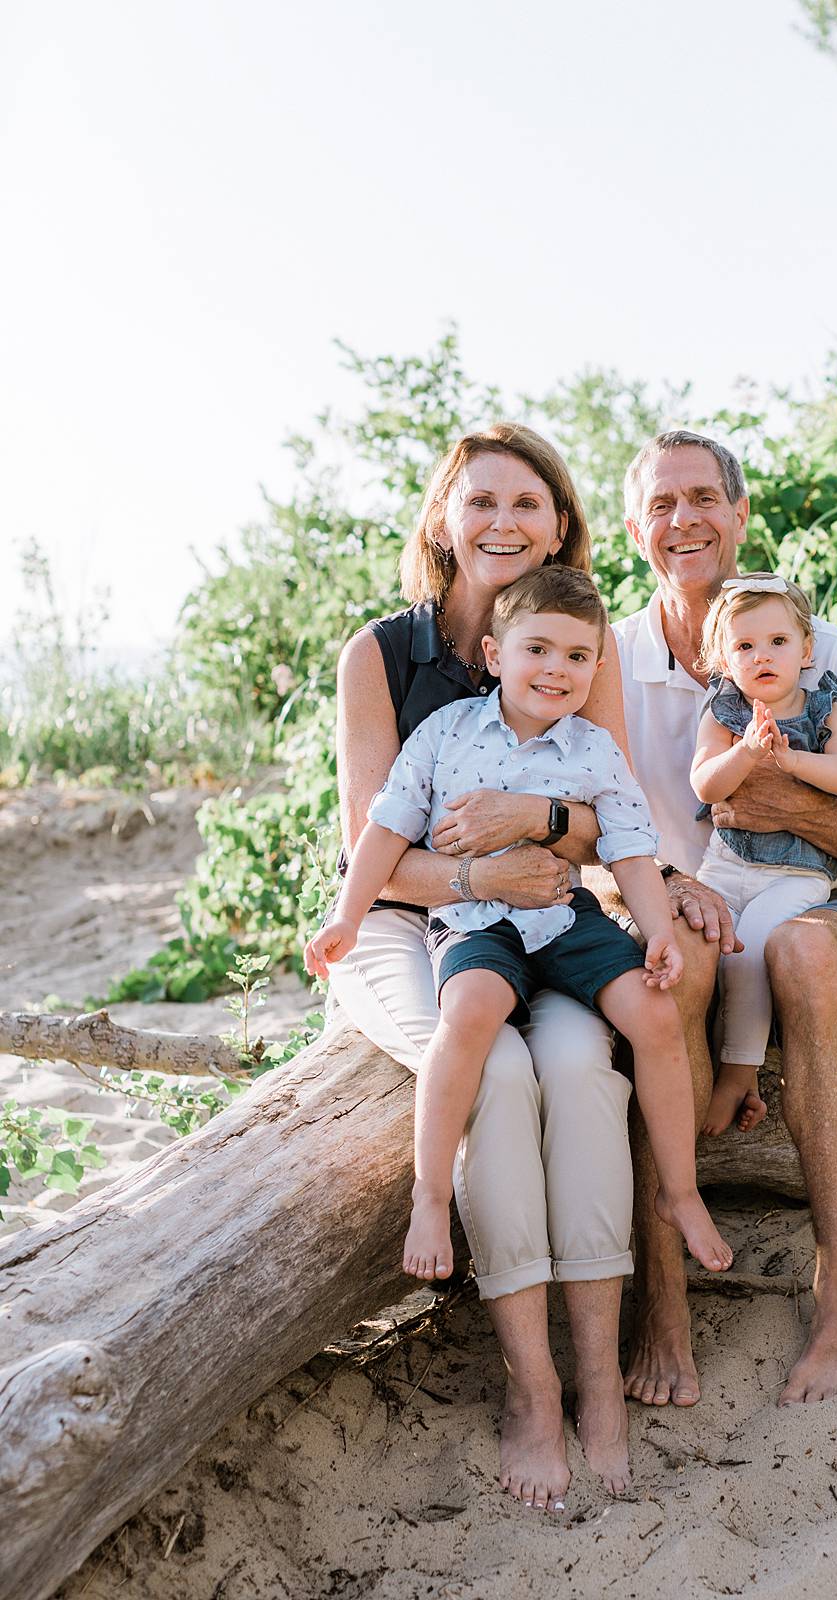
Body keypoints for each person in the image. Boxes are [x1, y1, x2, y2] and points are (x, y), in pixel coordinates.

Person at [324, 423, 642, 1507]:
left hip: (535, 926)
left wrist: (540, 819)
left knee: (577, 1067)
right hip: (401, 920)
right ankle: (532, 1387)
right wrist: (482, 881)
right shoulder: (379, 654)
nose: (504, 521)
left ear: (560, 524)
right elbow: (371, 847)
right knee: (493, 1074)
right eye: (481, 501)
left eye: (529, 503)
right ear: (443, 520)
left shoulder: (569, 636)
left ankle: (599, 1377)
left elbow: (612, 820)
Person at [612, 430, 837, 1409]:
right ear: (636, 531)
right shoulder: (609, 659)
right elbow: (580, 824)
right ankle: (660, 1295)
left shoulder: (822, 652)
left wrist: (799, 807)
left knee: (796, 951)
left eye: (705, 497)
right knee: (682, 962)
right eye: (663, 505)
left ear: (741, 514)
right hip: (671, 899)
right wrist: (660, 886)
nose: (686, 520)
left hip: (812, 902)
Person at [306, 566, 732, 1288]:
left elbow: (628, 848)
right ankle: (431, 1196)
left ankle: (680, 1191)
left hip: (563, 917)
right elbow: (383, 827)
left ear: (597, 667)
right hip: (473, 918)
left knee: (655, 1016)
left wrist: (657, 930)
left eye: (575, 657)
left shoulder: (592, 749)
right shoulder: (446, 733)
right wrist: (347, 916)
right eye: (537, 650)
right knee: (469, 1016)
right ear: (496, 656)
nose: (555, 670)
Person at [690, 574, 837, 1135]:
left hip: (795, 874)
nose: (762, 656)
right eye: (744, 646)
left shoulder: (822, 708)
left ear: (806, 649)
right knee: (702, 955)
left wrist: (793, 763)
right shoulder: (724, 712)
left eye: (778, 642)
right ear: (723, 658)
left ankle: (736, 1078)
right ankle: (726, 1073)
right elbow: (705, 785)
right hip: (724, 865)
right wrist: (745, 751)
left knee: (751, 949)